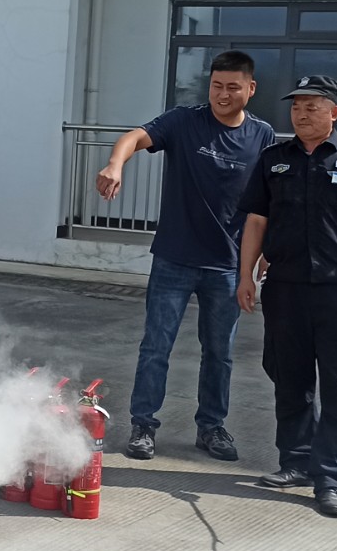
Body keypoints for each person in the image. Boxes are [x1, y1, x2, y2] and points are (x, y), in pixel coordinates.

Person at [94, 51, 275, 463]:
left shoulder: (262, 135)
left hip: (227, 265)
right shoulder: (183, 121)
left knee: (219, 354)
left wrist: (267, 249)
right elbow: (134, 137)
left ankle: (211, 427)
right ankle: (143, 425)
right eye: (216, 86)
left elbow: (269, 199)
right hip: (174, 258)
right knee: (156, 346)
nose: (222, 94)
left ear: (250, 89)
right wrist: (115, 165)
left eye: (232, 87)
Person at [236, 74, 337, 519]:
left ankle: (333, 481)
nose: (301, 114)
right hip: (285, 290)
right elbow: (256, 221)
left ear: (334, 113)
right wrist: (245, 275)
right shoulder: (274, 159)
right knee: (290, 382)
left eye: (312, 106)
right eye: (296, 107)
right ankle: (296, 462)